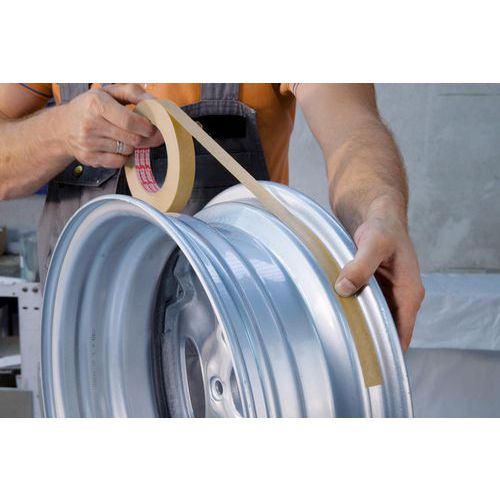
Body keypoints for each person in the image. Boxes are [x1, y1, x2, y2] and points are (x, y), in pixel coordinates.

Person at [0, 83, 424, 350]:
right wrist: (57, 131)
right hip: (81, 351)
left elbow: (351, 127)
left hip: (235, 352)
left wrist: (379, 209)